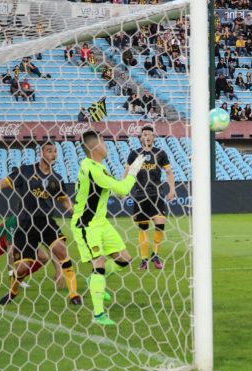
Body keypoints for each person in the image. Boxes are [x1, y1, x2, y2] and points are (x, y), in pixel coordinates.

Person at [0, 141, 81, 305]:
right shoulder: (25, 171)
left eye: (55, 151)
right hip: (24, 225)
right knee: (23, 267)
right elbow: (0, 184)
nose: (53, 154)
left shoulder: (56, 179)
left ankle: (74, 295)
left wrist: (80, 215)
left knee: (61, 250)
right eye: (49, 151)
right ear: (41, 153)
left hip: (45, 222)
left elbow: (66, 202)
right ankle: (13, 292)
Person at [71, 130, 146, 325]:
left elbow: (118, 191)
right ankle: (98, 315)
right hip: (86, 224)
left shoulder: (97, 167)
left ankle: (94, 282)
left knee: (124, 259)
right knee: (99, 264)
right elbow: (122, 190)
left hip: (101, 223)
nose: (107, 146)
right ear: (95, 147)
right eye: (104, 143)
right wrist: (133, 172)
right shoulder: (91, 168)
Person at [123, 126, 175, 270]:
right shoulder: (134, 154)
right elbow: (127, 171)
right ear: (141, 137)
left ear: (153, 137)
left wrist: (172, 189)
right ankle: (144, 259)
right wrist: (123, 188)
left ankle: (155, 255)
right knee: (143, 228)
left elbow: (169, 172)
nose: (147, 137)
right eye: (145, 134)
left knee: (160, 224)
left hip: (156, 193)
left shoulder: (160, 153)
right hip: (140, 195)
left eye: (150, 135)